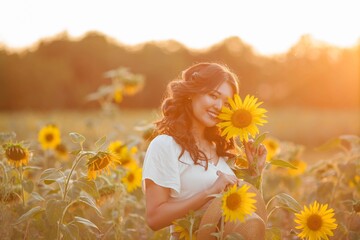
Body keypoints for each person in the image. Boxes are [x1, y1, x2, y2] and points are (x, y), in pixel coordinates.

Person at [142, 62, 267, 239]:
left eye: (226, 102)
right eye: (213, 95)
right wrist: (209, 193)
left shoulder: (220, 150)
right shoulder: (165, 146)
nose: (219, 106)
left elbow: (243, 215)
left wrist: (255, 172)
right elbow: (155, 218)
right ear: (192, 93)